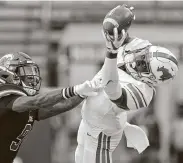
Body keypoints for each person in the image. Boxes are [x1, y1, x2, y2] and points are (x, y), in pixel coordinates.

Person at [75, 5, 178, 163]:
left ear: (150, 79)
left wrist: (111, 51)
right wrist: (117, 25)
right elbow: (120, 35)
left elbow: (111, 88)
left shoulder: (143, 93)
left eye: (144, 65)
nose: (139, 61)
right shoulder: (141, 48)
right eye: (145, 56)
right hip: (89, 122)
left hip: (101, 133)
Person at [0, 52, 102, 163]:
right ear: (8, 74)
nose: (31, 76)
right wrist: (73, 90)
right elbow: (37, 101)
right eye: (25, 71)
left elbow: (64, 105)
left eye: (32, 71)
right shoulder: (6, 95)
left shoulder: (26, 104)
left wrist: (83, 93)